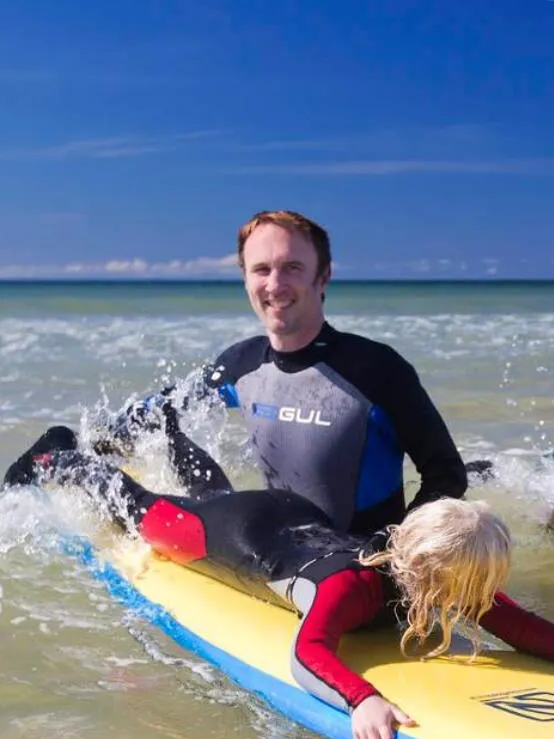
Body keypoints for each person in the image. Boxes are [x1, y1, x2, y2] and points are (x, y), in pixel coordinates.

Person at [3, 411, 554, 739]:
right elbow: (309, 652)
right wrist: (362, 699)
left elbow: (519, 624)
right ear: (432, 573)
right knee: (142, 509)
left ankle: (166, 433)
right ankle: (59, 454)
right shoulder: (352, 588)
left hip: (292, 516)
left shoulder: (432, 575)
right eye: (474, 585)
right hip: (241, 536)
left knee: (216, 491)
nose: (480, 600)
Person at [110, 210, 468, 538]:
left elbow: (446, 475)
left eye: (292, 267)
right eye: (261, 269)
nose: (275, 284)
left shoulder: (377, 370)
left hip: (360, 569)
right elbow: (167, 405)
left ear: (323, 276)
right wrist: (106, 439)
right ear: (245, 278)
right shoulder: (242, 363)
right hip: (281, 551)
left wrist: (396, 547)